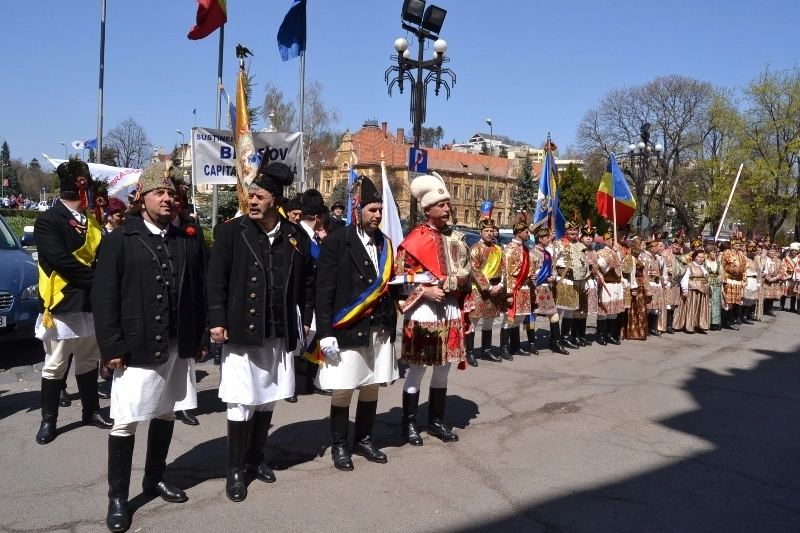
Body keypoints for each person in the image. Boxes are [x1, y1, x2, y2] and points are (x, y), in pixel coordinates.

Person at [92, 161, 209, 532]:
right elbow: (104, 298)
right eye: (160, 193)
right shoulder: (119, 240)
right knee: (126, 419)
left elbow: (199, 290)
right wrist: (111, 346)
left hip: (178, 344)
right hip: (136, 346)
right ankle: (117, 498)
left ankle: (154, 478)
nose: (167, 199)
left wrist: (201, 336)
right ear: (141, 199)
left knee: (166, 411)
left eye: (172, 194)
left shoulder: (187, 238)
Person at [207, 161, 314, 502]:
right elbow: (216, 280)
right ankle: (235, 470)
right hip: (242, 330)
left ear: (276, 201)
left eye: (259, 197)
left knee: (267, 398)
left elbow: (307, 283)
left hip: (279, 330)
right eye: (250, 196)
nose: (252, 201)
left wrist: (306, 318)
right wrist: (217, 320)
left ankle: (255, 458)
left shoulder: (295, 236)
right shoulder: (231, 232)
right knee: (241, 399)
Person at [314, 176, 399, 471]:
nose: (377, 215)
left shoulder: (386, 243)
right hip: (348, 328)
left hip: (379, 328)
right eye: (371, 210)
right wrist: (325, 333)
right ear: (357, 210)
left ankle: (364, 440)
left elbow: (389, 286)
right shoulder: (337, 241)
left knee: (372, 385)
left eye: (380, 210)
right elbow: (323, 292)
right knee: (344, 387)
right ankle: (339, 446)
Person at [33, 158, 113, 445]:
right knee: (56, 364)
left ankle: (91, 411)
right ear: (81, 190)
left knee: (88, 361)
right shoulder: (48, 220)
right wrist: (100, 281)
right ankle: (48, 421)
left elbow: (103, 257)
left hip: (89, 302)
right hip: (64, 301)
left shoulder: (91, 222)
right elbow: (61, 261)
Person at [394, 172, 471, 445]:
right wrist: (425, 291)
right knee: (418, 368)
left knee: (443, 369)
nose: (447, 208)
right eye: (441, 205)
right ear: (427, 209)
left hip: (449, 309)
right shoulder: (413, 241)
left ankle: (436, 421)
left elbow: (467, 275)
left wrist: (455, 289)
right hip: (423, 310)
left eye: (448, 204)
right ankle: (409, 423)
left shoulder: (458, 239)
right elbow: (398, 281)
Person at [297, 189, 333, 397]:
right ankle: (298, 384)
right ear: (318, 217)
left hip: (314, 298)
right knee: (303, 341)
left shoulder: (312, 238)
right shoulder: (299, 236)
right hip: (303, 300)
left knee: (314, 338)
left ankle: (312, 381)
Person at [466, 218, 504, 365]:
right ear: (480, 232)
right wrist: (488, 287)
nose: (489, 233)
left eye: (491, 231)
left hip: (495, 288)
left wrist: (500, 285)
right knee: (474, 320)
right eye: (486, 231)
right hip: (479, 290)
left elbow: (503, 268)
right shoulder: (475, 249)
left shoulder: (498, 249)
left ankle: (486, 350)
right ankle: (469, 352)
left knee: (489, 320)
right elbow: (474, 270)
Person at [529, 226, 569, 354]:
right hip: (536, 288)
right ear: (540, 239)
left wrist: (553, 276)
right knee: (533, 315)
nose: (549, 239)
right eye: (547, 237)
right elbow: (530, 273)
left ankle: (555, 342)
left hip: (547, 288)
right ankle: (531, 343)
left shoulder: (548, 253)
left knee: (554, 314)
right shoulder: (532, 254)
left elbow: (553, 270)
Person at [499, 214, 533, 359]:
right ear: (519, 233)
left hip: (524, 288)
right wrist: (508, 294)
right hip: (513, 288)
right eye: (526, 232)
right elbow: (506, 272)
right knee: (509, 319)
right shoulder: (509, 250)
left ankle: (515, 346)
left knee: (519, 319)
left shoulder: (524, 248)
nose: (528, 234)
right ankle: (504, 348)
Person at [554, 217, 586, 349]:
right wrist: (554, 277)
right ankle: (555, 339)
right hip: (562, 280)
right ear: (566, 230)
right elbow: (553, 262)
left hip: (575, 281)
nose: (573, 232)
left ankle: (565, 337)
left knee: (570, 311)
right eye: (570, 230)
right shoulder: (559, 244)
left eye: (575, 230)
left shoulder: (580, 246)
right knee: (558, 310)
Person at [595, 231, 625, 345]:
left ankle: (609, 334)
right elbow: (600, 267)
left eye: (613, 239)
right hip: (607, 283)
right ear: (605, 241)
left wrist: (617, 253)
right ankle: (601, 334)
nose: (613, 241)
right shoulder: (601, 252)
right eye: (610, 239)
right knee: (604, 310)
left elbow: (623, 265)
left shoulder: (616, 252)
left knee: (614, 310)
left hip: (617, 283)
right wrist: (609, 267)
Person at [571, 220, 598, 346]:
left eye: (590, 237)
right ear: (581, 238)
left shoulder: (593, 252)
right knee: (576, 311)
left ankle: (582, 335)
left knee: (584, 311)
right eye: (586, 236)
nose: (588, 239)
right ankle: (574, 335)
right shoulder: (577, 249)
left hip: (590, 281)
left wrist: (594, 266)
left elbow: (597, 268)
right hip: (579, 281)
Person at [673, 249, 710, 333]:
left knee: (699, 308)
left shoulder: (703, 267)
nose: (701, 259)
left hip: (702, 291)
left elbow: (705, 278)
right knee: (691, 307)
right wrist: (685, 290)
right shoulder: (690, 266)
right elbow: (685, 279)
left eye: (702, 257)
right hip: (693, 290)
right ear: (694, 257)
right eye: (699, 257)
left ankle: (698, 325)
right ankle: (689, 325)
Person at [622, 237, 649, 340]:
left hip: (640, 285)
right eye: (642, 245)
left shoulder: (639, 257)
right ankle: (632, 332)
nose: (644, 247)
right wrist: (633, 288)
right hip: (635, 284)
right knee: (633, 309)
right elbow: (631, 273)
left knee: (639, 308)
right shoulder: (631, 258)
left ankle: (639, 331)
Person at [663, 235, 688, 334]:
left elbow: (684, 268)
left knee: (673, 304)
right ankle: (664, 324)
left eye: (679, 246)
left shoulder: (681, 257)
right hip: (667, 281)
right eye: (675, 245)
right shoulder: (666, 253)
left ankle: (670, 324)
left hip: (676, 282)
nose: (677, 247)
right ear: (671, 244)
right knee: (667, 304)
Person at [640, 238, 666, 336]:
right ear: (651, 248)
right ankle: (645, 327)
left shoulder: (656, 258)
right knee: (648, 307)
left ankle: (652, 327)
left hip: (656, 284)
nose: (658, 248)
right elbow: (645, 273)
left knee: (655, 308)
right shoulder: (645, 257)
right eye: (656, 246)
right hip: (650, 283)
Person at [720, 239, 746, 328]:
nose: (738, 246)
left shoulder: (741, 254)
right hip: (729, 279)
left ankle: (730, 320)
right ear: (732, 245)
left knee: (735, 302)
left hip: (737, 281)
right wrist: (723, 278)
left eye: (739, 245)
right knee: (727, 301)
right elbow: (723, 265)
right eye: (736, 245)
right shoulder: (727, 253)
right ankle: (724, 322)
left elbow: (744, 268)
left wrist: (744, 280)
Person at [704, 243, 723, 330]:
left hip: (717, 284)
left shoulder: (718, 263)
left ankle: (716, 322)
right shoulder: (705, 262)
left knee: (716, 303)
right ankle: (707, 321)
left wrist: (720, 279)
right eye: (713, 252)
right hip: (709, 283)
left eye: (716, 252)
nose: (715, 254)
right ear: (708, 253)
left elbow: (721, 274)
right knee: (709, 303)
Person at [741, 242, 760, 323]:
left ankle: (747, 315)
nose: (754, 254)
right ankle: (742, 316)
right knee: (745, 298)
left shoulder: (754, 260)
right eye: (753, 252)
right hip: (748, 279)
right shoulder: (745, 259)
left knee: (752, 299)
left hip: (754, 280)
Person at [762, 243, 782, 317]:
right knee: (764, 295)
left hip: (774, 280)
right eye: (771, 251)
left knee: (771, 297)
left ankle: (770, 309)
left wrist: (775, 278)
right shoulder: (763, 259)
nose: (772, 253)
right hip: (765, 280)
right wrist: (766, 277)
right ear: (767, 252)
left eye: (774, 251)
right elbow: (760, 269)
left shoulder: (778, 260)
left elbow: (782, 271)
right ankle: (763, 309)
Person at [780, 242, 800, 312]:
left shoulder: (798, 258)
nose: (794, 252)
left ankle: (792, 307)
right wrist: (787, 274)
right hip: (787, 277)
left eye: (795, 251)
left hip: (795, 278)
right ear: (790, 251)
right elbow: (782, 267)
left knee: (793, 293)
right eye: (792, 250)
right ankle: (782, 306)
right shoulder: (786, 259)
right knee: (784, 292)